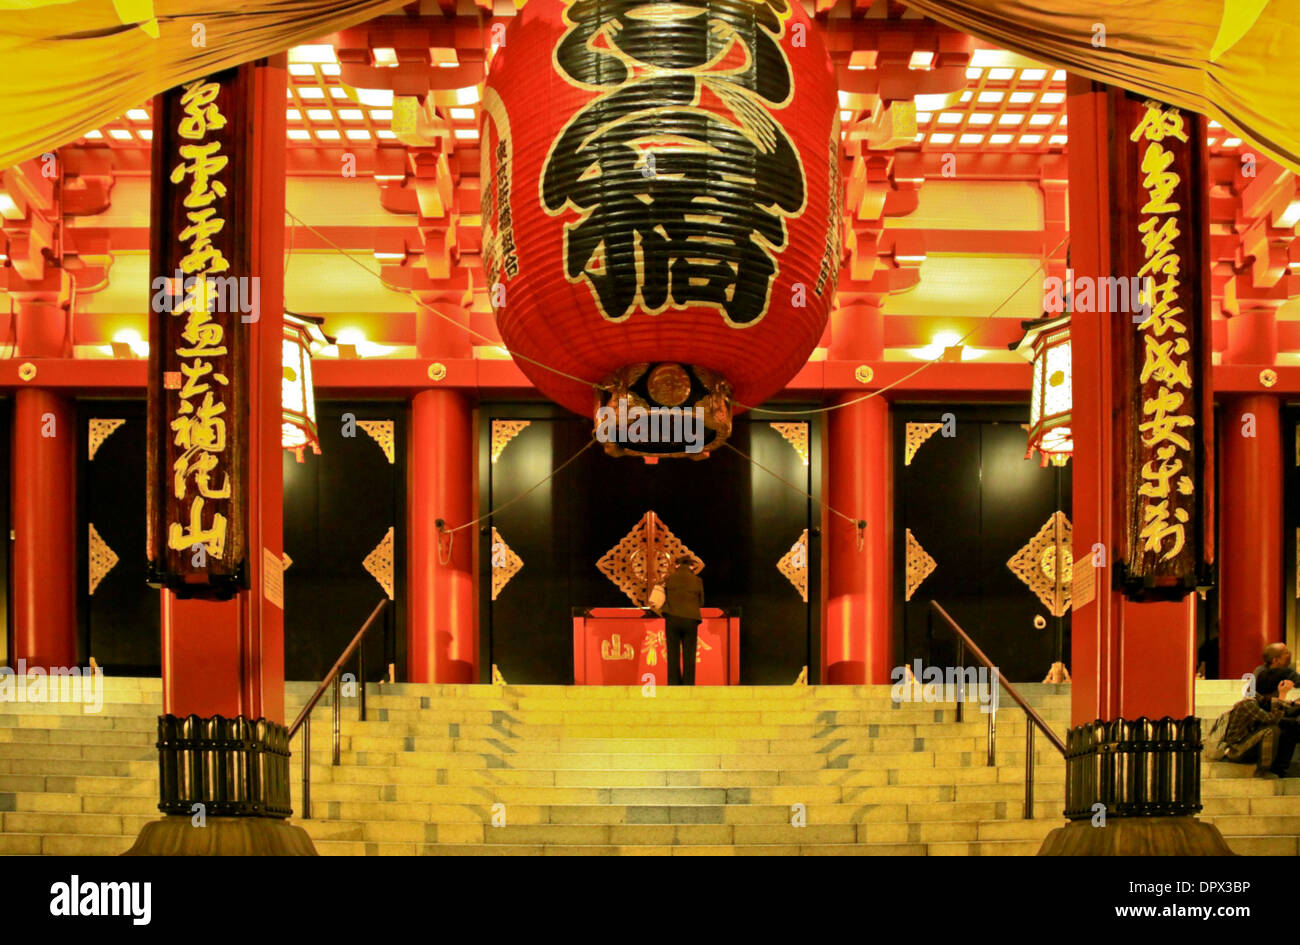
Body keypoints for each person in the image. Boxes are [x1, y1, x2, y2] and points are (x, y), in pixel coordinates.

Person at [1220, 667, 1300, 778]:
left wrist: (1293, 703)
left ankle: (1280, 769)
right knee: (1272, 729)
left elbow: (1273, 705)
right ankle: (1263, 771)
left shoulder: (1260, 698)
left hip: (1249, 743)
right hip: (1237, 750)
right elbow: (1272, 719)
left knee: (1291, 725)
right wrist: (1282, 695)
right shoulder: (1249, 703)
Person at [661, 554, 704, 686]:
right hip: (690, 619)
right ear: (691, 566)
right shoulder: (697, 580)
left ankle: (673, 684)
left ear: (677, 565)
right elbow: (701, 602)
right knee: (689, 654)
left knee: (673, 654)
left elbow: (664, 598)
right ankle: (688, 684)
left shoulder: (669, 578)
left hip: (672, 618)